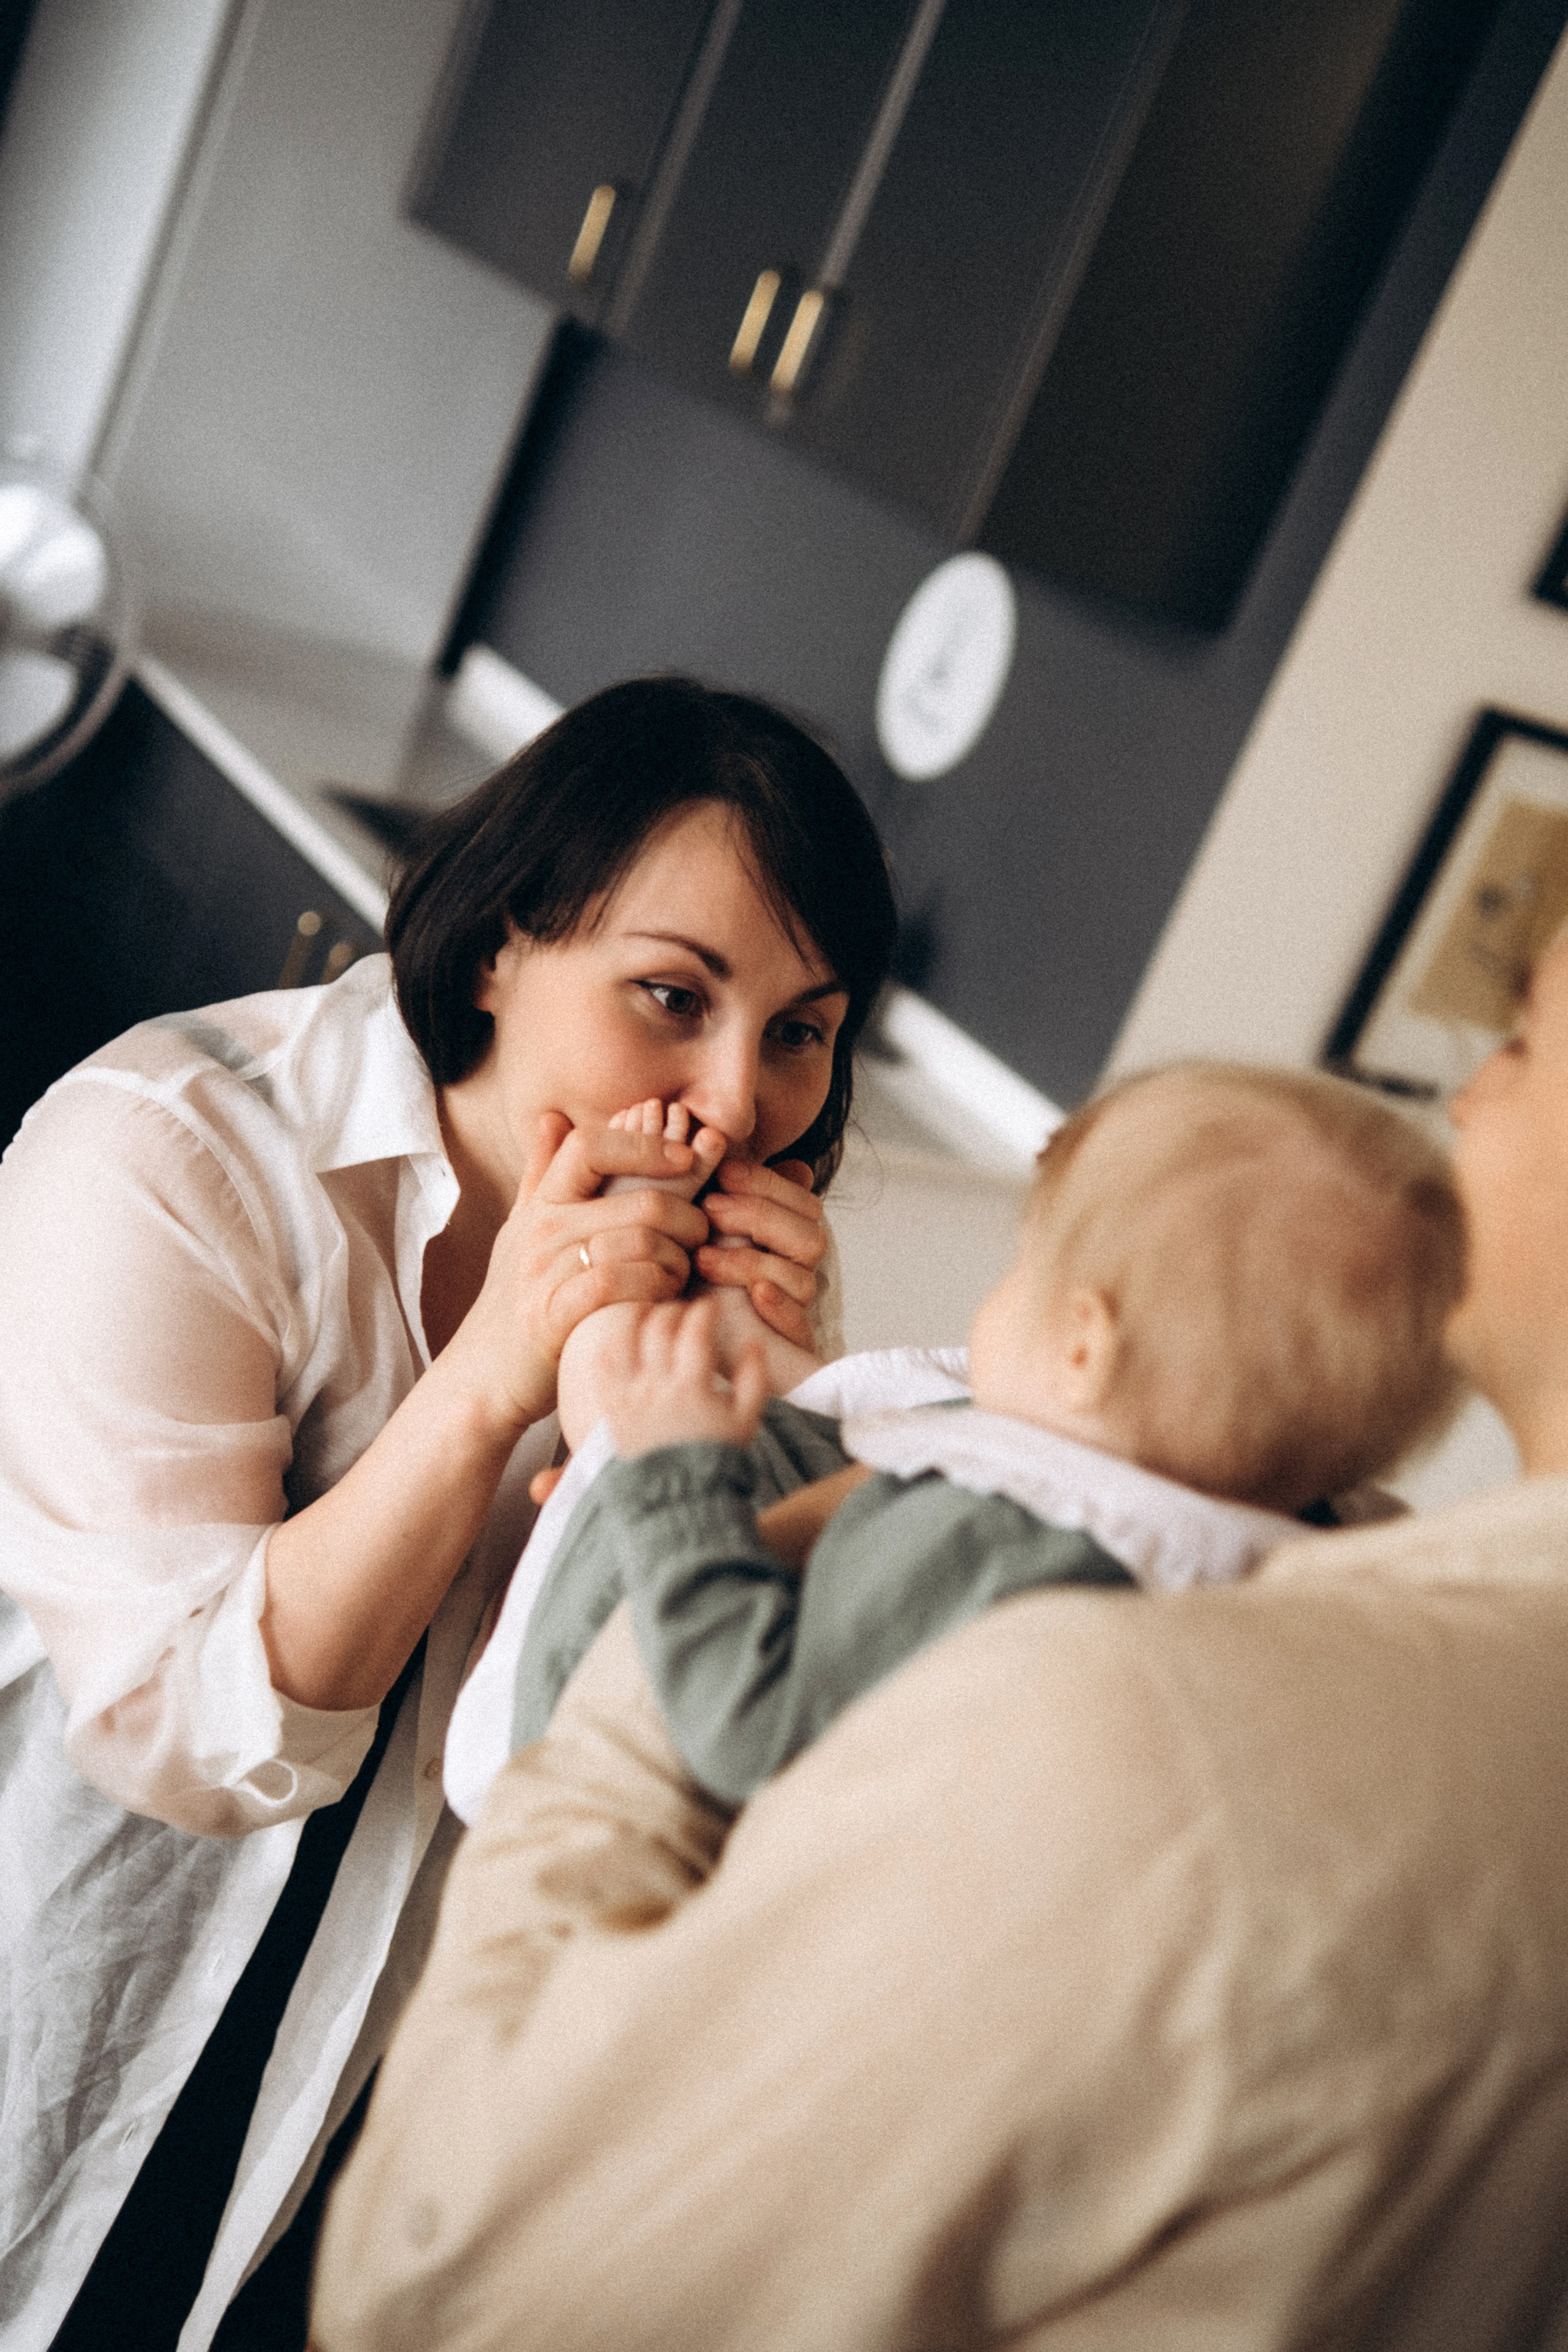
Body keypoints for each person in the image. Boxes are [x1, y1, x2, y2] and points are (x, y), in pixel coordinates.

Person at [311, 946, 1568, 2352]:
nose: (1468, 1093)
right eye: (675, 998)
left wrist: (658, 1477)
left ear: (1081, 1346)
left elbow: (455, 2271)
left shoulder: (1128, 1716)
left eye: (1523, 1039)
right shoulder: (1323, 1562)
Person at [0, 676, 895, 2351]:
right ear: (495, 946)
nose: (730, 1099)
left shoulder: (726, 1290)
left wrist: (776, 1427)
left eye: (799, 1032)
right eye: (671, 996)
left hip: (386, 2043)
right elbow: (185, 1740)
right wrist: (490, 1375)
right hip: (72, 1954)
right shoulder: (172, 1153)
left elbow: (700, 1747)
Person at [511, 1063, 1464, 1806]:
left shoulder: (990, 1542)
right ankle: (752, 1364)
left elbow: (744, 1732)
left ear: (1084, 1346)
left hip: (648, 1724)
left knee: (615, 1379)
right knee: (950, 1413)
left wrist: (673, 1486)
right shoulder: (1273, 1551)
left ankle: (636, 1367)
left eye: (1025, 1263)